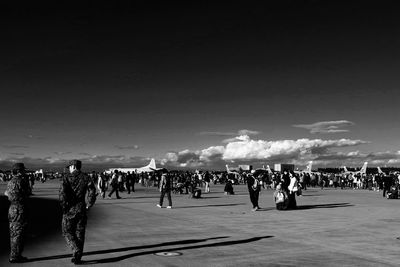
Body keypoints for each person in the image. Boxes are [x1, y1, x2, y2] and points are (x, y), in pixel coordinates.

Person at [59, 160, 97, 264]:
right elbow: (92, 191)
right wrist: (89, 204)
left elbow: (62, 194)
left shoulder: (66, 178)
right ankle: (78, 257)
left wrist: (63, 207)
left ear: (74, 166)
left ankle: (76, 249)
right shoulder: (86, 177)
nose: (69, 169)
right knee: (80, 232)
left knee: (66, 231)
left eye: (70, 167)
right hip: (81, 207)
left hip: (70, 208)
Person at [5, 163, 31, 263]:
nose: (25, 172)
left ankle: (14, 254)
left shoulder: (11, 181)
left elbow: (7, 194)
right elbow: (28, 193)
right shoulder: (22, 181)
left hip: (12, 208)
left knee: (13, 232)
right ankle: (15, 256)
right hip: (20, 208)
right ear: (19, 171)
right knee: (19, 233)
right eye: (23, 170)